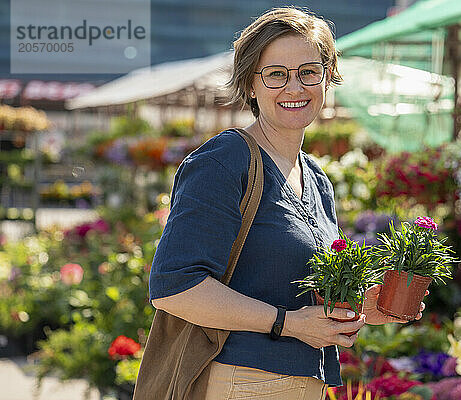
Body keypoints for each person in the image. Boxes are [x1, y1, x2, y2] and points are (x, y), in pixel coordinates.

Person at [149, 7, 424, 400]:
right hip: (242, 383)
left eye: (309, 72)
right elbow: (174, 287)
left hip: (304, 386)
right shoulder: (224, 162)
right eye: (277, 74)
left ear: (327, 78)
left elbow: (294, 290)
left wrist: (364, 306)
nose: (295, 87)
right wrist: (288, 323)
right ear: (250, 84)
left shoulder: (316, 179)